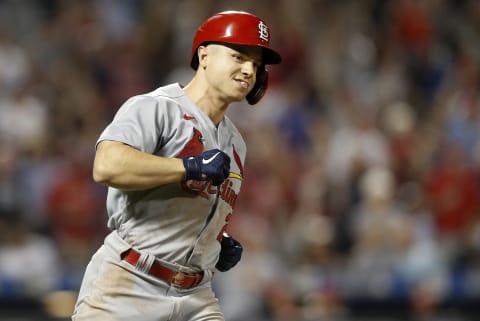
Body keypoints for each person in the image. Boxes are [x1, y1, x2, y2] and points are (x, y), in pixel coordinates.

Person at [71, 10, 282, 321]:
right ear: (205, 55)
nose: (249, 70)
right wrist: (187, 167)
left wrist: (214, 240)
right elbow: (106, 165)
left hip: (196, 295)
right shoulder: (156, 108)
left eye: (255, 64)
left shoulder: (236, 142)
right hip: (129, 284)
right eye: (239, 56)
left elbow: (191, 199)